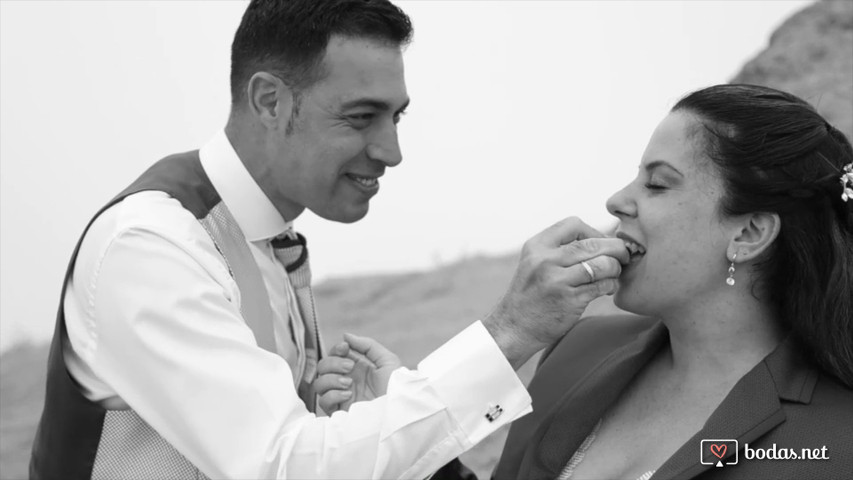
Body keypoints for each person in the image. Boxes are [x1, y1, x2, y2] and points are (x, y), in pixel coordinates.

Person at [29, 1, 631, 479]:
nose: (391, 152)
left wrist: (340, 413)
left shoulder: (267, 234)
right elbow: (283, 465)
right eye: (360, 116)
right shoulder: (152, 246)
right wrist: (509, 334)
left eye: (396, 117)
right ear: (270, 100)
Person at [317, 84, 853, 479]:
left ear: (751, 231)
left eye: (658, 184)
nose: (618, 200)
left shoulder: (833, 439)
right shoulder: (582, 348)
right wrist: (404, 426)